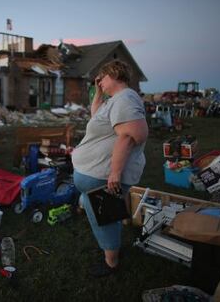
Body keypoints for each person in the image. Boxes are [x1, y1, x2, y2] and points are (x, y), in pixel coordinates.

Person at [71, 60, 148, 277]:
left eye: (102, 78)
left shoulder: (125, 98)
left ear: (113, 75)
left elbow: (132, 135)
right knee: (103, 214)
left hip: (105, 175)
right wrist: (97, 93)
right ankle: (111, 253)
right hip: (95, 175)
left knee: (106, 219)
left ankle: (111, 264)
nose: (99, 83)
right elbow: (97, 117)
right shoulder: (115, 101)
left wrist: (114, 172)